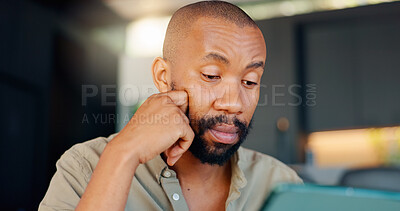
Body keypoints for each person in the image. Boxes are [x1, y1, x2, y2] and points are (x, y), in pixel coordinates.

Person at [39, 1, 302, 210]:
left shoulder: (282, 184)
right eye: (211, 76)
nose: (233, 104)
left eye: (249, 81)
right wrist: (123, 154)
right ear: (164, 78)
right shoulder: (83, 167)